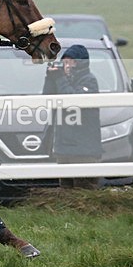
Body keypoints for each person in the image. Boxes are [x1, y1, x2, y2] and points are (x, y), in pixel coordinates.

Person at [42, 44, 102, 189]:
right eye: (65, 61)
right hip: (63, 147)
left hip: (84, 149)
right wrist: (50, 78)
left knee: (85, 191)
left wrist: (60, 78)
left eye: (71, 61)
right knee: (65, 191)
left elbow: (73, 101)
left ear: (81, 63)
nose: (67, 65)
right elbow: (47, 98)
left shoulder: (89, 80)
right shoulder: (61, 79)